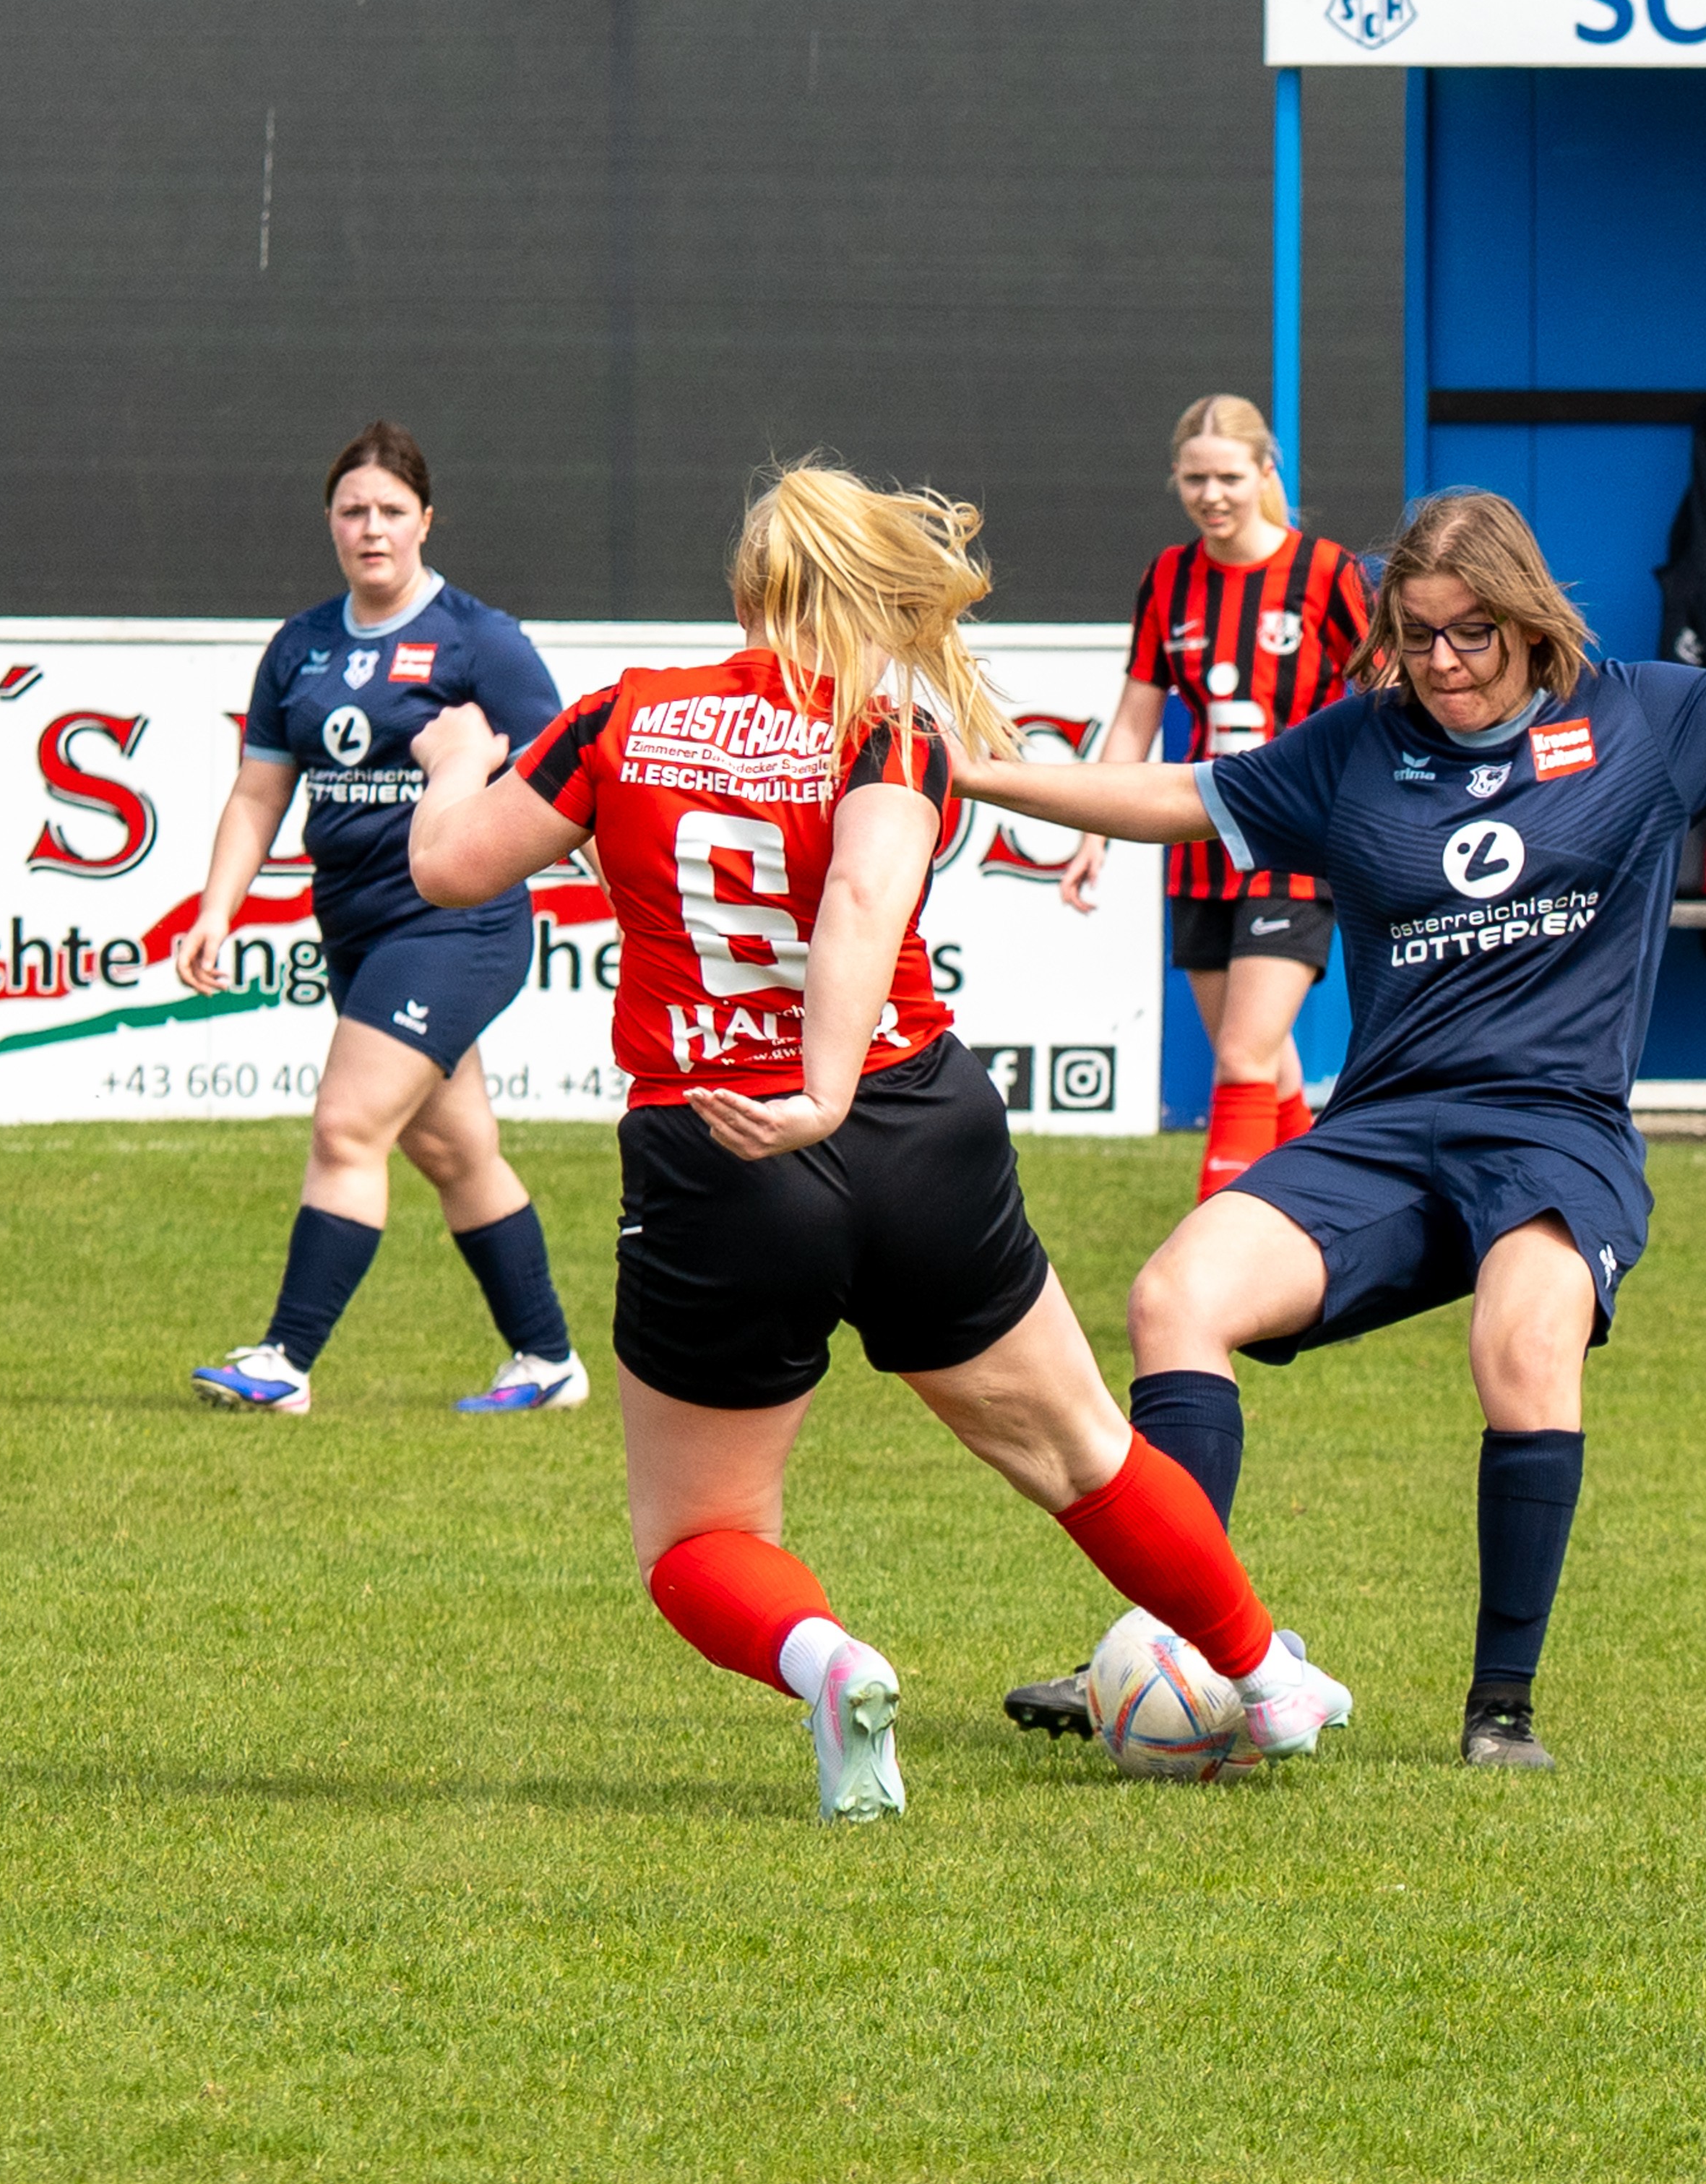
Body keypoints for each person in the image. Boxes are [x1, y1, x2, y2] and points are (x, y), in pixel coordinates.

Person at [963, 476, 1706, 1766]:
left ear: (1527, 620)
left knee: (1520, 1342)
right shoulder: (1356, 746)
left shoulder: (1643, 717)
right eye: (1416, 634)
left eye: (1471, 632)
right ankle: (1173, 1644)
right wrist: (965, 769)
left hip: (1554, 1133)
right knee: (1175, 1294)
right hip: (1386, 1129)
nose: (1443, 662)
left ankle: (1499, 1711)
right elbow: (1180, 795)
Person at [403, 465, 1353, 1823]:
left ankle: (831, 1661)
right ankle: (1264, 1675)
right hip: (914, 1128)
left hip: (717, 1146)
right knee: (1086, 1454)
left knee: (702, 1533)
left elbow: (449, 869)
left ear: (745, 589)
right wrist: (835, 1087)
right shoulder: (887, 730)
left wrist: (453, 768)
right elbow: (858, 894)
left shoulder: (622, 712)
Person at [174, 422, 582, 1416]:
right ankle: (547, 1363)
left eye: (391, 510)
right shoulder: (300, 645)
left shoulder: (482, 641)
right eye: (353, 510)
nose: (371, 528)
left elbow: (567, 782)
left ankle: (283, 1361)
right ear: (329, 520)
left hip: (456, 928)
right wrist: (217, 908)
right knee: (454, 1150)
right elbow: (259, 792)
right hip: (356, 929)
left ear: (425, 520)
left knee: (346, 1124)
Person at [1061, 397, 1371, 1198]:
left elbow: (1388, 695)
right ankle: (1322, 1219)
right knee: (1268, 1067)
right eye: (1195, 479)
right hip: (1198, 847)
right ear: (1175, 477)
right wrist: (1093, 832)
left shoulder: (1327, 572)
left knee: (1240, 1059)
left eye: (1229, 477)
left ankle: (1215, 1245)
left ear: (1265, 472)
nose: (1212, 495)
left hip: (1295, 848)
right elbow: (1135, 717)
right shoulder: (1167, 577)